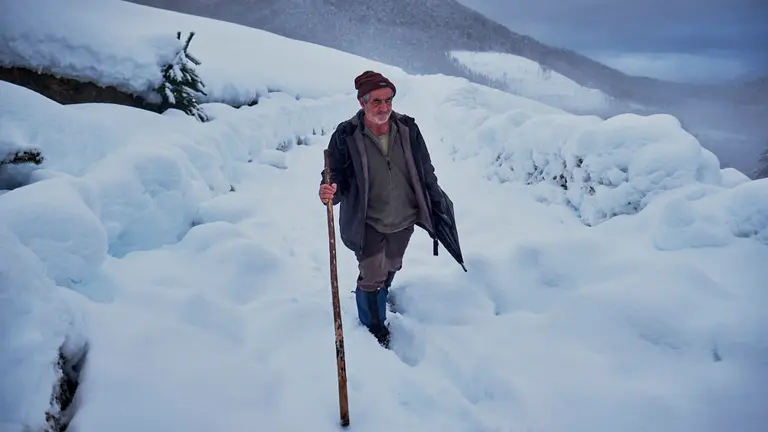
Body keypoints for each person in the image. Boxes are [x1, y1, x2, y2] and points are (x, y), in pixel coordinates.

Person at [319, 70, 445, 348]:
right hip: (367, 220)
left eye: (388, 100)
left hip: (404, 216)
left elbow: (425, 170)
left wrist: (435, 203)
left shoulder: (408, 129)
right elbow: (334, 174)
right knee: (372, 273)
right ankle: (374, 325)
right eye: (377, 101)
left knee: (392, 264)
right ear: (362, 102)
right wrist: (329, 190)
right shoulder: (347, 134)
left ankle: (380, 293)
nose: (384, 108)